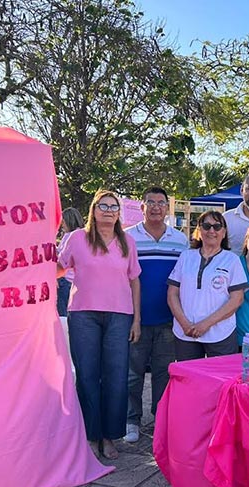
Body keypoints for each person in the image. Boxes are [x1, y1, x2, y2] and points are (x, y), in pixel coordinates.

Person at [58, 190, 141, 460]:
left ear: (119, 213)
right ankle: (91, 436)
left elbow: (134, 280)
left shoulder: (127, 241)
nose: (108, 210)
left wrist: (136, 319)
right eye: (102, 205)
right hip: (83, 315)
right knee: (87, 375)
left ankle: (109, 436)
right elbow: (58, 268)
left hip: (119, 315)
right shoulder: (76, 238)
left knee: (116, 377)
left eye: (113, 206)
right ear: (93, 210)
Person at [123, 186, 189, 443]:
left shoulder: (180, 240)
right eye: (150, 202)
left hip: (169, 318)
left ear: (167, 208)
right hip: (136, 317)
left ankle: (160, 417)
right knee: (133, 372)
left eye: (161, 203)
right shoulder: (128, 238)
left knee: (164, 372)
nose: (156, 207)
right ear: (142, 207)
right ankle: (131, 420)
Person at [167, 210, 248, 360]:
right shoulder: (186, 256)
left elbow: (237, 300)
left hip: (219, 333)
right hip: (186, 333)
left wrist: (205, 325)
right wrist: (184, 324)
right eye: (206, 226)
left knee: (221, 380)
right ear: (199, 230)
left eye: (217, 227)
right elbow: (172, 293)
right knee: (189, 380)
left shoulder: (232, 260)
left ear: (224, 233)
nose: (212, 230)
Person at [57, 207, 84, 316]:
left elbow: (62, 257)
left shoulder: (70, 236)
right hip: (76, 279)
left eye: (63, 222)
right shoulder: (83, 235)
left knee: (63, 313)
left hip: (65, 277)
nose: (61, 225)